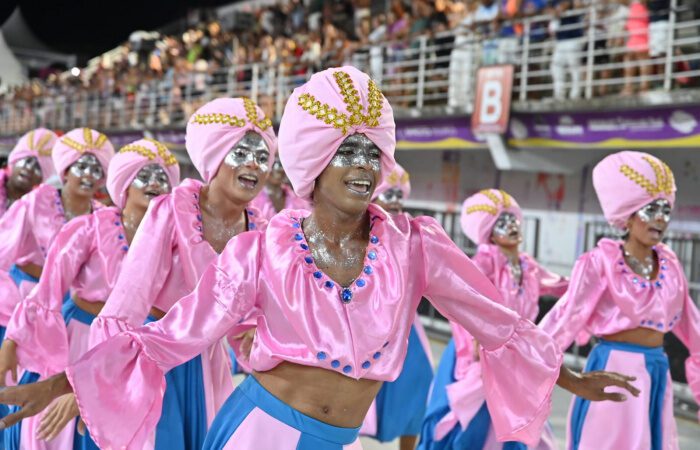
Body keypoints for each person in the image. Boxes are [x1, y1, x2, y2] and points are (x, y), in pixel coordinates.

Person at [0, 67, 638, 450]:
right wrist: (65, 380)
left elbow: (497, 320)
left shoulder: (415, 245)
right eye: (347, 152)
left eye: (371, 154)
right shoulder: (260, 252)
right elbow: (170, 336)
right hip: (260, 430)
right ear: (315, 162)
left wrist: (570, 378)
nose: (363, 167)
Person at [88, 97, 271, 449]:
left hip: (209, 365)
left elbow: (252, 318)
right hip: (154, 359)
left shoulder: (261, 232)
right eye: (241, 152)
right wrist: (102, 379)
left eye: (263, 157)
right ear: (216, 156)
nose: (254, 164)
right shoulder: (171, 211)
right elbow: (128, 299)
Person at [0, 138, 180, 449]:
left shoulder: (170, 238)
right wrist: (10, 346)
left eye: (163, 177)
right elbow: (48, 292)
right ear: (125, 183)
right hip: (79, 337)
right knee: (59, 431)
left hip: (128, 348)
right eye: (146, 174)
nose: (155, 183)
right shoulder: (91, 227)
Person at [539, 151, 700, 449]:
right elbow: (563, 319)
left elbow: (694, 326)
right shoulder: (601, 262)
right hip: (615, 368)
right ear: (628, 216)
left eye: (666, 210)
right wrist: (563, 376)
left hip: (657, 370)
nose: (661, 218)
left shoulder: (670, 263)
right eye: (651, 210)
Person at [419, 189, 569, 450]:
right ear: (488, 231)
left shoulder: (529, 267)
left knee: (515, 420)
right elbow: (464, 301)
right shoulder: (483, 262)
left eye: (513, 220)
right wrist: (476, 341)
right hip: (480, 352)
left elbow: (563, 286)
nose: (511, 226)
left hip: (517, 357)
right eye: (502, 222)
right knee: (470, 421)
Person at [0, 127, 114, 448]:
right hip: (27, 296)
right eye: (82, 166)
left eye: (97, 169)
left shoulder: (103, 217)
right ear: (65, 170)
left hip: (75, 313)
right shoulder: (36, 201)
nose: (89, 175)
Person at [361, 164, 434, 450]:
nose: (395, 201)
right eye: (388, 194)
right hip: (365, 323)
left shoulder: (412, 234)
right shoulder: (359, 232)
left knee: (419, 379)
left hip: (406, 324)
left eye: (398, 195)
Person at [0, 128, 58, 216]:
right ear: (14, 161)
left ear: (42, 178)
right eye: (27, 160)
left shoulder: (40, 211)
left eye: (38, 166)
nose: (29, 168)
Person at [549, 0, 585, 100]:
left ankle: (576, 94)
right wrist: (554, 11)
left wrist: (560, 9)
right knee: (556, 66)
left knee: (574, 67)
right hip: (560, 40)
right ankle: (559, 94)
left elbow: (574, 4)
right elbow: (548, 8)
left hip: (573, 38)